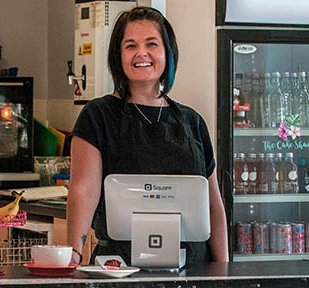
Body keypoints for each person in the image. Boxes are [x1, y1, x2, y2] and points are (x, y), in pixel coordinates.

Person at [67, 6, 229, 266]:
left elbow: (212, 205)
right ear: (118, 56)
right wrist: (73, 255)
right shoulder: (97, 115)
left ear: (167, 52)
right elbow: (84, 190)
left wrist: (224, 270)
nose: (141, 53)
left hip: (193, 268)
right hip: (121, 266)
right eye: (130, 46)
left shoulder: (192, 121)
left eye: (151, 44)